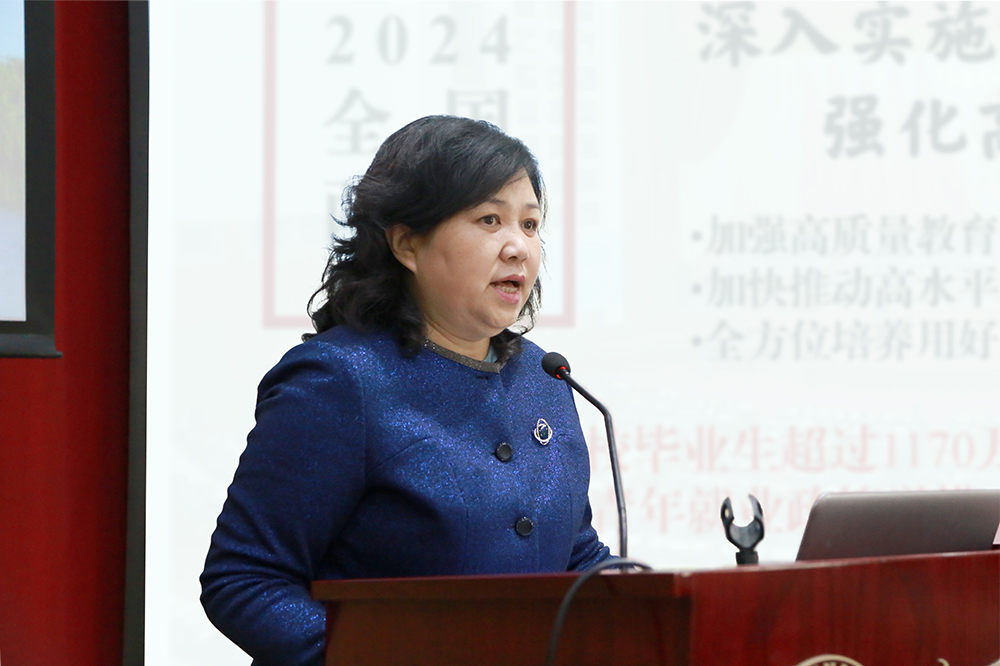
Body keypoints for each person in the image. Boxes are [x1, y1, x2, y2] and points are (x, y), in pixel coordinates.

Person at [200, 115, 610, 666]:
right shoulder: (340, 381)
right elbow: (244, 580)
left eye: (531, 224)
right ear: (407, 243)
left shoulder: (545, 378)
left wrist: (660, 611)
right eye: (490, 219)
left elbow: (574, 555)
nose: (519, 247)